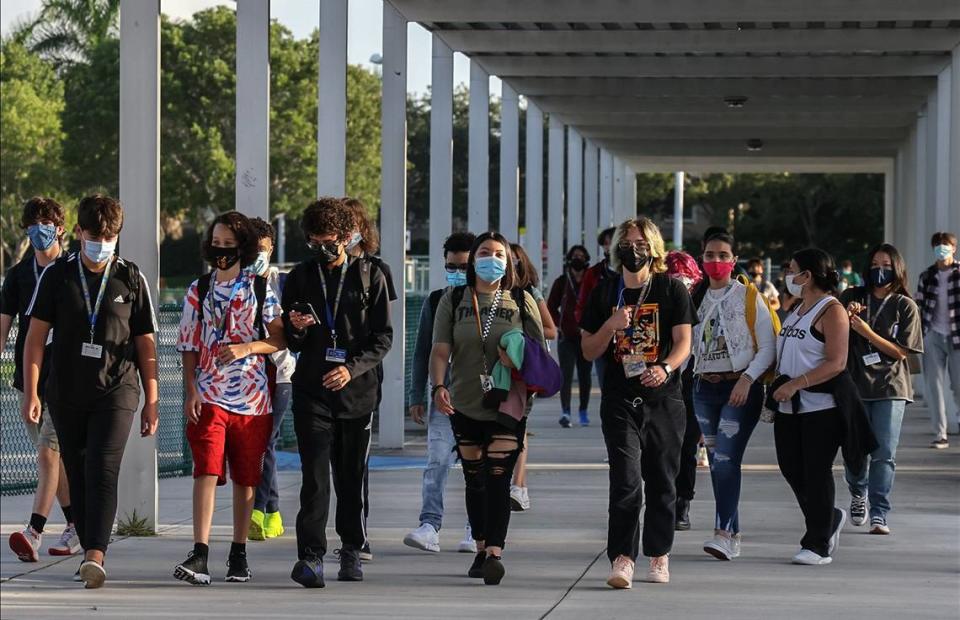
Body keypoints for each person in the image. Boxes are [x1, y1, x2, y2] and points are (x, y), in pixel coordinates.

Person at [21, 194, 159, 588]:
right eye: (95, 236)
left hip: (117, 390)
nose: (102, 244)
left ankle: (96, 555)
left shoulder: (130, 277)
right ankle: (88, 545)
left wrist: (153, 399)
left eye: (110, 237)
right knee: (78, 471)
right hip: (66, 392)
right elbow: (35, 339)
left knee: (102, 466)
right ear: (79, 233)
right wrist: (32, 392)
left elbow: (146, 344)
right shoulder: (58, 275)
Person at [283, 197, 393, 588]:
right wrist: (296, 327)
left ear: (347, 237)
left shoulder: (372, 275)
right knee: (314, 479)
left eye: (327, 241)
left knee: (350, 478)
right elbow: (291, 338)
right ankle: (310, 557)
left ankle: (351, 548)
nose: (320, 249)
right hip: (311, 391)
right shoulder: (298, 276)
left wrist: (351, 368)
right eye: (313, 241)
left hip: (357, 393)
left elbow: (383, 338)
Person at [580, 217, 695, 588]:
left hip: (663, 398)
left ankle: (658, 554)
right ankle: (623, 557)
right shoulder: (604, 291)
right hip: (619, 398)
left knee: (663, 479)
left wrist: (665, 367)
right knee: (626, 480)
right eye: (627, 243)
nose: (634, 249)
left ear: (654, 249)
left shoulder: (671, 289)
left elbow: (683, 343)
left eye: (642, 243)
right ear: (616, 249)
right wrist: (610, 325)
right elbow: (587, 350)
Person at [174, 212, 286, 585]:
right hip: (209, 394)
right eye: (216, 244)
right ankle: (200, 551)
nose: (221, 251)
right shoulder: (198, 289)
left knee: (245, 476)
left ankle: (239, 553)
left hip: (253, 399)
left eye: (228, 245)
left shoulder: (258, 288)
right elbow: (188, 343)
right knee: (205, 468)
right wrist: (190, 388)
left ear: (243, 247)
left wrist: (246, 349)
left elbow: (279, 338)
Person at [431, 232, 545, 585]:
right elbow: (440, 350)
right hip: (464, 400)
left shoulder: (521, 300)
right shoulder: (453, 298)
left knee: (498, 478)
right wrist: (438, 385)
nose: (491, 258)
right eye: (484, 252)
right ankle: (479, 546)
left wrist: (515, 359)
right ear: (473, 258)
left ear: (509, 261)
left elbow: (538, 353)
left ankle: (495, 551)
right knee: (474, 478)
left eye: (498, 253)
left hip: (508, 402)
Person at [1, 197, 79, 562]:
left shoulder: (74, 270)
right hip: (28, 380)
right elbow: (3, 325)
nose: (38, 231)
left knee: (49, 453)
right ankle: (78, 524)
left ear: (60, 228)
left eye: (45, 224)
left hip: (65, 379)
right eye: (31, 225)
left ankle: (33, 531)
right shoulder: (18, 275)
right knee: (52, 459)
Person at [693, 232, 777, 560]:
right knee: (717, 463)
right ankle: (732, 532)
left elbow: (768, 346)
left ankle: (723, 534)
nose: (716, 261)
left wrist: (747, 379)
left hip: (740, 388)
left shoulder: (748, 296)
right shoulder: (693, 297)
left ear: (734, 259)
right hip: (703, 389)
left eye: (722, 254)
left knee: (727, 460)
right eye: (709, 254)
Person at [772, 248, 849, 566]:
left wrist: (796, 383)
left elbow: (836, 362)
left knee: (816, 473)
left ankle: (817, 543)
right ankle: (828, 517)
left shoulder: (832, 310)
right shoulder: (799, 308)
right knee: (792, 468)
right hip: (789, 408)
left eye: (792, 270)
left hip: (820, 407)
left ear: (808, 275)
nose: (787, 276)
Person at [840, 243, 923, 535]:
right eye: (875, 264)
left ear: (897, 268)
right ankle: (857, 492)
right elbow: (830, 330)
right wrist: (845, 317)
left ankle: (880, 511)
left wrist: (866, 331)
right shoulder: (853, 296)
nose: (880, 269)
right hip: (854, 384)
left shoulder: (904, 305)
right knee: (854, 449)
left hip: (891, 387)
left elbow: (901, 353)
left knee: (884, 452)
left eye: (886, 264)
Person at [403, 232, 478, 554]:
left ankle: (477, 529)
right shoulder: (436, 301)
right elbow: (423, 350)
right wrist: (416, 394)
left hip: (482, 398)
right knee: (436, 462)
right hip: (444, 397)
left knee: (479, 468)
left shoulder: (494, 301)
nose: (456, 272)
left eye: (462, 266)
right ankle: (429, 525)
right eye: (451, 266)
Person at [342, 196, 398, 561]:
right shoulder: (316, 271)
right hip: (323, 378)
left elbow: (383, 330)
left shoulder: (375, 271)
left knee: (355, 463)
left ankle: (357, 535)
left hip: (362, 379)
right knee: (331, 463)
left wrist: (358, 365)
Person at [245, 218, 298, 542]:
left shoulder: (283, 284)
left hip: (279, 376)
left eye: (262, 250)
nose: (257, 257)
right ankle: (273, 511)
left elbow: (289, 333)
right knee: (265, 446)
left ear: (271, 249)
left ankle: (258, 509)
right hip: (245, 378)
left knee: (265, 443)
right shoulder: (235, 283)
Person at [508, 242, 556, 513]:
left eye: (515, 260)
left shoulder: (529, 293)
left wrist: (520, 335)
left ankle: (518, 485)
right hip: (495, 369)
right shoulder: (488, 291)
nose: (510, 264)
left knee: (519, 425)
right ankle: (518, 486)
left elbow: (551, 330)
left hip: (523, 368)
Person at [664, 249, 703, 532]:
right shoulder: (657, 303)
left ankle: (682, 502)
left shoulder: (703, 303)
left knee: (687, 446)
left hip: (691, 382)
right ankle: (664, 497)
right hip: (662, 380)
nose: (682, 285)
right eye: (676, 278)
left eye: (687, 279)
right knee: (660, 448)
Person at [915, 232, 960, 449]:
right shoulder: (927, 276)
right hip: (932, 334)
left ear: (954, 248)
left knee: (959, 386)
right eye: (938, 245)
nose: (942, 248)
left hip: (957, 335)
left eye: (946, 245)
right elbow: (920, 306)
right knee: (935, 385)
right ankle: (940, 433)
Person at [547, 245, 593, 429]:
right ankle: (565, 411)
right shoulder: (562, 282)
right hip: (566, 337)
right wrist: (559, 325)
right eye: (575, 256)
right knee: (565, 375)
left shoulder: (590, 282)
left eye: (581, 256)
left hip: (586, 336)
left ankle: (583, 411)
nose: (578, 259)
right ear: (569, 259)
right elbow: (551, 307)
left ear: (587, 259)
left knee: (585, 375)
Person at [576, 227, 618, 388]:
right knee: (606, 383)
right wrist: (586, 328)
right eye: (605, 244)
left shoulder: (629, 272)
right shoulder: (594, 273)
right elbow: (582, 304)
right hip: (602, 335)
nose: (608, 247)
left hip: (629, 337)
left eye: (612, 242)